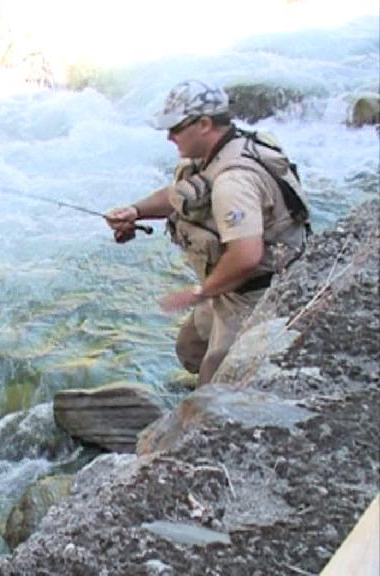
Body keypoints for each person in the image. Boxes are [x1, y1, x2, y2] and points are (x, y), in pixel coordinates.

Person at [106, 80, 311, 387]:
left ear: (203, 124)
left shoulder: (234, 181)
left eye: (175, 128)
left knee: (215, 395)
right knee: (190, 348)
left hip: (256, 296)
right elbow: (180, 195)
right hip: (230, 289)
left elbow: (246, 255)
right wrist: (136, 211)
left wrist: (198, 293)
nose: (169, 136)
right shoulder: (220, 150)